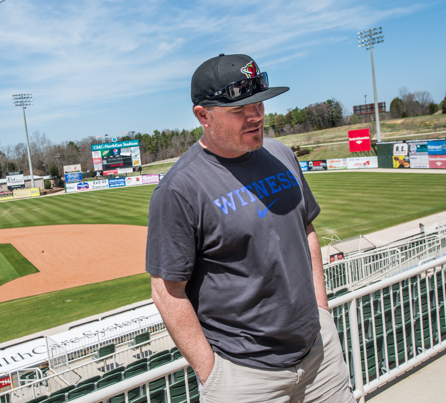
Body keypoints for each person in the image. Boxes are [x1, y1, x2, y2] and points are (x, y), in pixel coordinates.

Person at [145, 54, 354, 402]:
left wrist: (321, 311)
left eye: (258, 103)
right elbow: (167, 292)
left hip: (319, 354)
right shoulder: (180, 189)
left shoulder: (281, 155)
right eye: (239, 109)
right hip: (245, 377)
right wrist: (212, 374)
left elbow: (306, 231)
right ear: (203, 115)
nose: (255, 115)